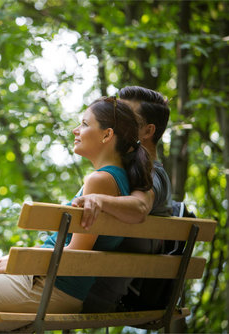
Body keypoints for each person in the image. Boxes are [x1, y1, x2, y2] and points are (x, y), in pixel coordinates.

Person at [0, 96, 153, 315]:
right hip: (52, 284)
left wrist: (20, 262)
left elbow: (77, 254)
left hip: (51, 288)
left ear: (107, 135)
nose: (75, 130)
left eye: (85, 124)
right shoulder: (119, 179)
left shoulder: (99, 180)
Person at [71, 86, 173, 312]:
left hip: (88, 289)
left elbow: (140, 207)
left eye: (127, 117)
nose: (117, 120)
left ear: (147, 131)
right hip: (81, 279)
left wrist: (97, 199)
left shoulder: (152, 174)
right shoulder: (121, 173)